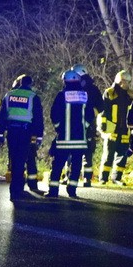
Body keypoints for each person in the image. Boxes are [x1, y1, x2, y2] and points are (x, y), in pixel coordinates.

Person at [48, 69, 95, 198]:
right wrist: (84, 128)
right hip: (79, 140)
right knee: (76, 165)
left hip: (64, 139)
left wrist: (59, 128)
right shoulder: (84, 95)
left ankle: (53, 191)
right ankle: (72, 190)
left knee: (58, 165)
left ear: (65, 81)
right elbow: (90, 115)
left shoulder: (61, 95)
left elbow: (54, 114)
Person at [0, 74, 45, 200]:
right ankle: (17, 191)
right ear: (30, 84)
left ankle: (14, 190)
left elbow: (2, 115)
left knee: (14, 160)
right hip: (25, 133)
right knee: (21, 161)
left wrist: (1, 133)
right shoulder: (33, 97)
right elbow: (38, 118)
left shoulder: (9, 95)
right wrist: (39, 136)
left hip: (11, 132)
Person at [99, 70, 133, 185]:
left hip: (125, 130)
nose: (127, 84)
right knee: (108, 155)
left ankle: (116, 178)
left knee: (122, 156)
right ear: (119, 81)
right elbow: (103, 111)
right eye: (125, 81)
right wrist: (103, 126)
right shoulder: (109, 93)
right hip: (111, 129)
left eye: (128, 82)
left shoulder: (130, 95)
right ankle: (103, 177)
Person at [73, 64, 104, 186]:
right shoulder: (94, 89)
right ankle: (87, 179)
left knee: (72, 149)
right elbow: (101, 107)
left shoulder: (72, 88)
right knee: (88, 151)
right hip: (89, 123)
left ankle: (71, 176)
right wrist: (92, 114)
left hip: (74, 123)